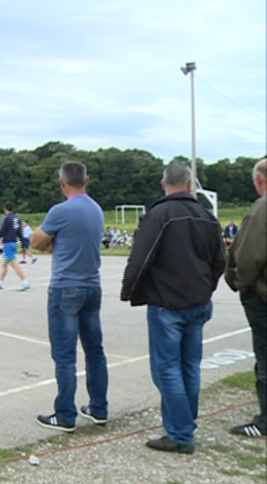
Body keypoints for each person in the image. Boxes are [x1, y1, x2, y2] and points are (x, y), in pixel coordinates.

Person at [121, 161, 225, 454]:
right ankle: (184, 423)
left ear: (163, 184)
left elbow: (140, 257)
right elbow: (220, 261)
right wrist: (207, 286)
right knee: (189, 366)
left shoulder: (159, 215)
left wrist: (129, 290)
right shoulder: (207, 216)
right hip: (198, 301)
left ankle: (180, 432)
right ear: (191, 185)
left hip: (168, 303)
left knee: (166, 369)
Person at [30, 161, 108, 433]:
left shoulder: (60, 211)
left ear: (63, 183)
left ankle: (65, 414)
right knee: (95, 351)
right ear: (87, 181)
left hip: (66, 287)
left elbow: (36, 242)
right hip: (92, 286)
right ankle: (99, 407)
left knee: (65, 355)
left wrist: (55, 243)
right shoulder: (96, 210)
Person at [224, 159, 267, 438]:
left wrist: (238, 282)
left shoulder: (262, 209)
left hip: (263, 297)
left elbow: (249, 255)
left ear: (260, 181)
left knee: (265, 358)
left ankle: (265, 422)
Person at [0, 203, 30, 291]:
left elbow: (2, 231)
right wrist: (23, 245)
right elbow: (20, 233)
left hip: (8, 243)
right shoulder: (17, 218)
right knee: (4, 264)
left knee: (14, 264)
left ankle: (25, 281)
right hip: (13, 243)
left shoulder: (7, 218)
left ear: (6, 209)